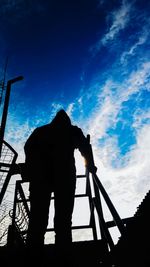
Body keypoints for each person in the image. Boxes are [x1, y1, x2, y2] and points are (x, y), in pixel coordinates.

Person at [23, 109, 97, 249]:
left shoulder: (40, 131)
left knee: (37, 220)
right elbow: (85, 148)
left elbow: (28, 147)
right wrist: (90, 165)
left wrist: (31, 167)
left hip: (41, 178)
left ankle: (33, 257)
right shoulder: (72, 130)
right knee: (63, 221)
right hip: (65, 177)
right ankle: (63, 258)